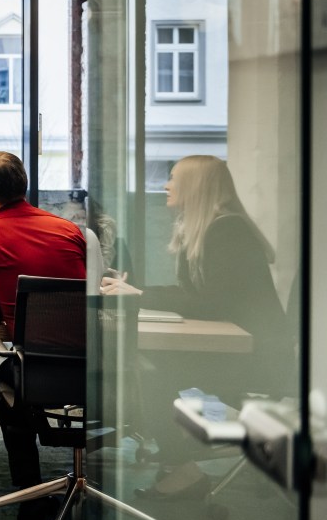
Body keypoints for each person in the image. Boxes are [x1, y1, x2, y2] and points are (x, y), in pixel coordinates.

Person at [101, 155, 290, 498]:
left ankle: (184, 469)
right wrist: (135, 292)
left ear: (196, 186)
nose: (166, 185)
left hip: (257, 357)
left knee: (151, 371)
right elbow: (193, 296)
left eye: (174, 178)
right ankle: (175, 445)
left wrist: (139, 295)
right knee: (147, 365)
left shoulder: (229, 231)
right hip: (234, 347)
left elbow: (214, 304)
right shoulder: (206, 228)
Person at [0, 151, 87, 520]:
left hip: (35, 371)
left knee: (2, 375)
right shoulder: (69, 230)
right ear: (24, 186)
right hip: (91, 368)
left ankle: (29, 493)